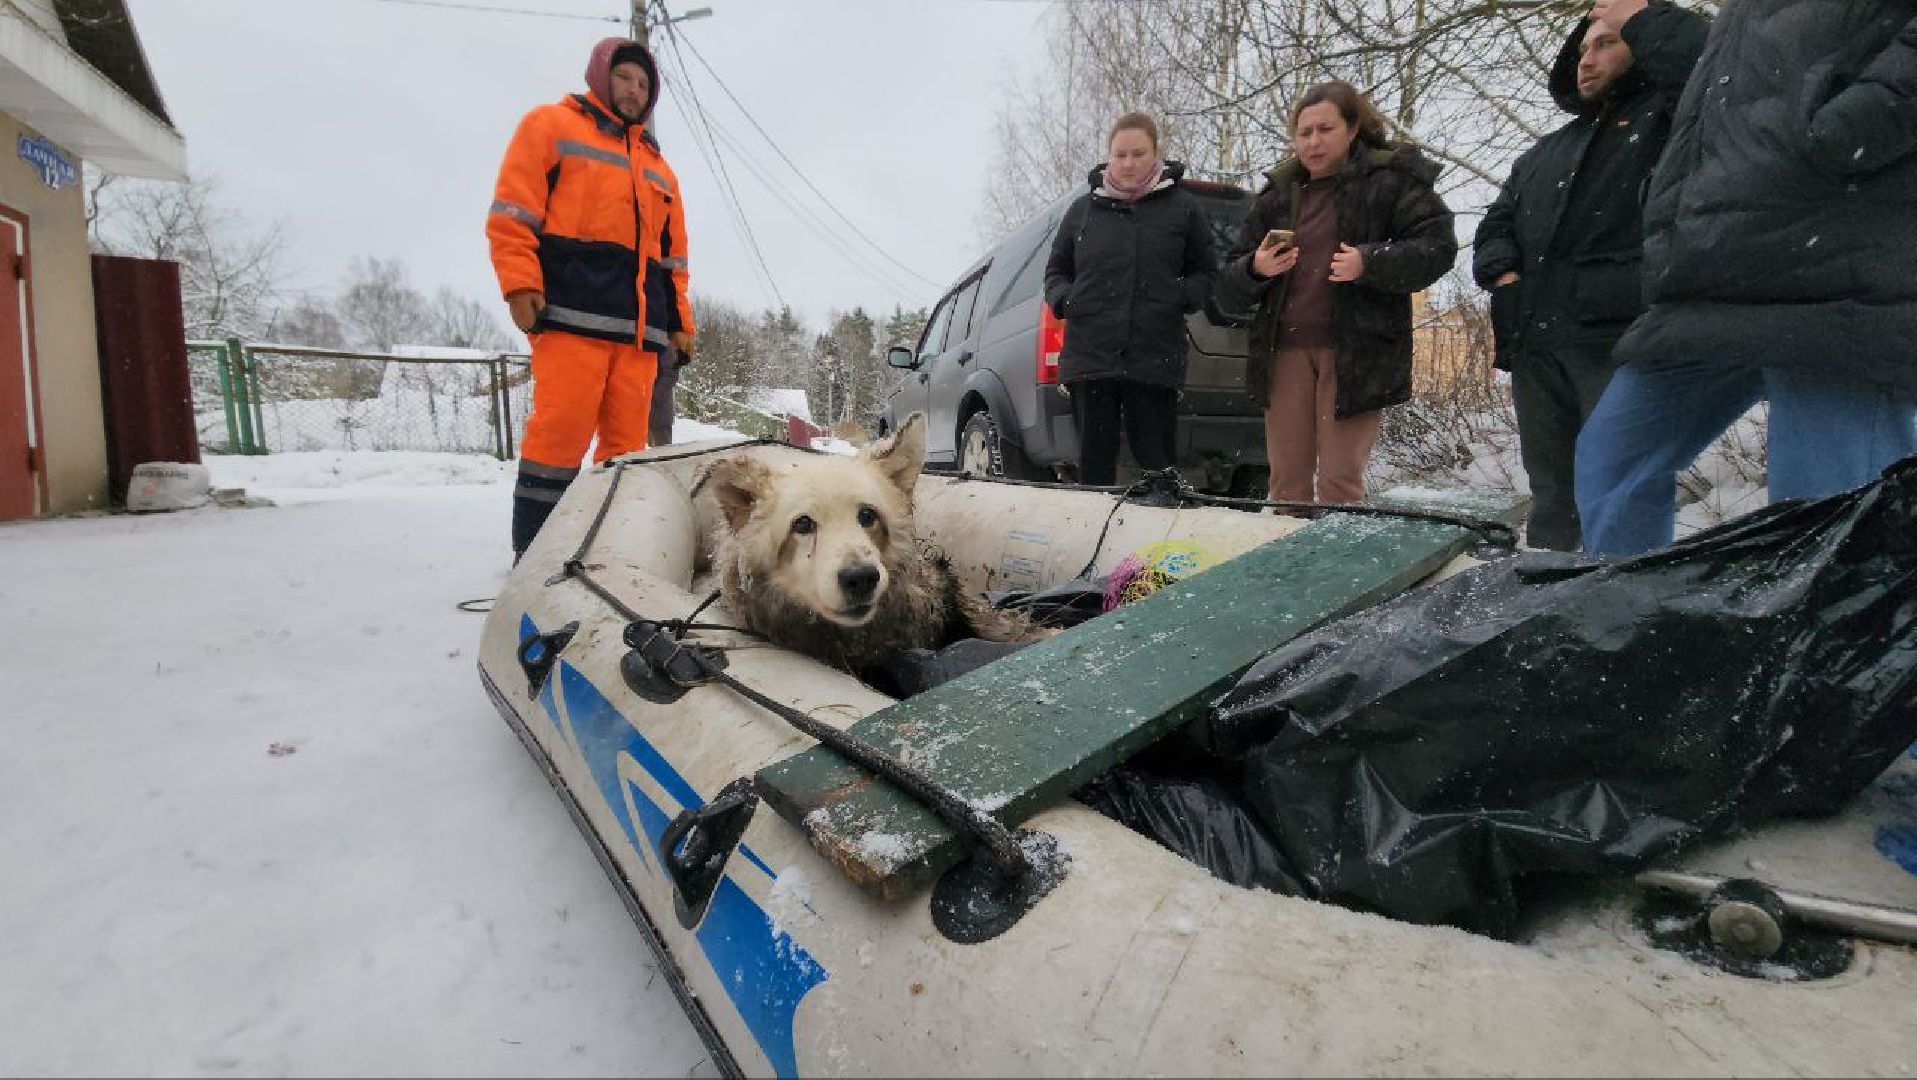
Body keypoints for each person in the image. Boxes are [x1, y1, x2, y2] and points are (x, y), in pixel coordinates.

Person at [1574, 0, 1917, 557]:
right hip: (1712, 272)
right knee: (1612, 462)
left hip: (1836, 269)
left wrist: (1853, 125)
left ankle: (1836, 615)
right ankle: (1623, 611)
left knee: (1827, 520)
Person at [1472, 0, 1707, 550]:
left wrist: (1643, 17)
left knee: (1620, 485)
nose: (1587, 59)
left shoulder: (1670, 120)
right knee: (1552, 494)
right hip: (1536, 341)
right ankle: (1548, 593)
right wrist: (1505, 278)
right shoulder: (1546, 151)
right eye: (1582, 49)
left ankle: (1624, 594)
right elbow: (1495, 225)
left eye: (1606, 43)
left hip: (1618, 335)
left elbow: (1707, 69)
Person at [1215, 81, 1457, 506]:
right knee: (1286, 486)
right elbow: (1227, 286)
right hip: (1283, 354)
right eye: (1304, 132)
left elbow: (1437, 248)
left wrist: (1369, 262)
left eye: (1325, 129)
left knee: (1339, 483)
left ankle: (1339, 551)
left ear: (1352, 128)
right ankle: (1287, 550)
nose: (1313, 141)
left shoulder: (1390, 181)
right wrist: (1255, 268)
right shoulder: (1277, 196)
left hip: (1355, 354)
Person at [487, 37, 676, 560]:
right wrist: (520, 282)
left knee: (625, 455)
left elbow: (673, 258)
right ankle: (535, 558)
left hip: (638, 335)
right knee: (557, 442)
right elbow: (513, 214)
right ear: (600, 75)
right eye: (625, 78)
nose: (634, 90)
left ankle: (608, 555)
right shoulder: (551, 126)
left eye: (643, 84)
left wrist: (680, 323)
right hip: (572, 319)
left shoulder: (659, 168)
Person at [1043, 111, 1219, 487]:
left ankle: (1160, 518)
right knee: (1094, 471)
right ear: (1109, 156)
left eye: (1138, 154)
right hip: (1091, 357)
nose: (1128, 163)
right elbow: (1056, 271)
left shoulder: (1183, 209)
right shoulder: (1082, 211)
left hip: (1154, 357)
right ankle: (1095, 523)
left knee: (1159, 469)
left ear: (1155, 154)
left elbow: (1206, 272)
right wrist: (1067, 301)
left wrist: (1178, 297)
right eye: (1120, 154)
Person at [642, 150, 696, 449]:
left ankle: (658, 453)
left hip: (661, 323)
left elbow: (675, 273)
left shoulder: (664, 181)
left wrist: (683, 328)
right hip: (632, 325)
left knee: (661, 400)